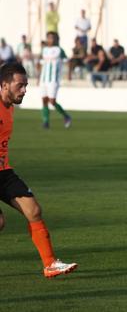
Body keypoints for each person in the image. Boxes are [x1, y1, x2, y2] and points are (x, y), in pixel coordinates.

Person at [0, 63, 78, 278]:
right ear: (4, 85)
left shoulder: (9, 104)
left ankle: (50, 264)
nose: (24, 90)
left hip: (3, 172)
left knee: (33, 211)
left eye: (26, 85)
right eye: (20, 85)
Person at [39, 32, 71, 129]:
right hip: (43, 79)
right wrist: (38, 77)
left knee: (52, 101)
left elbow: (68, 61)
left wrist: (69, 74)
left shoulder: (59, 50)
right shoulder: (44, 50)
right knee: (44, 100)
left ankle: (66, 116)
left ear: (56, 39)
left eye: (52, 38)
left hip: (53, 80)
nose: (50, 40)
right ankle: (46, 122)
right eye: (48, 38)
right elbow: (41, 63)